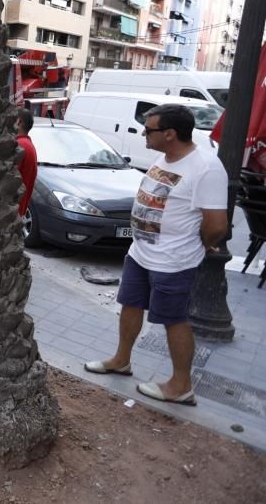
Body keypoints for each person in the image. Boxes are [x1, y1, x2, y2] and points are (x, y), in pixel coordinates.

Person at [85, 104, 228, 406]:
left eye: (148, 130)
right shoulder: (164, 157)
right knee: (130, 304)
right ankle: (121, 360)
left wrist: (203, 243)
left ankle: (181, 385)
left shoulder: (206, 168)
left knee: (174, 319)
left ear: (170, 134)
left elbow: (216, 225)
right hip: (140, 254)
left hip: (174, 261)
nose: (142, 133)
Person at [15, 108, 37, 217]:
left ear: (19, 122)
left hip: (14, 210)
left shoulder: (19, 145)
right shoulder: (28, 144)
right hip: (20, 209)